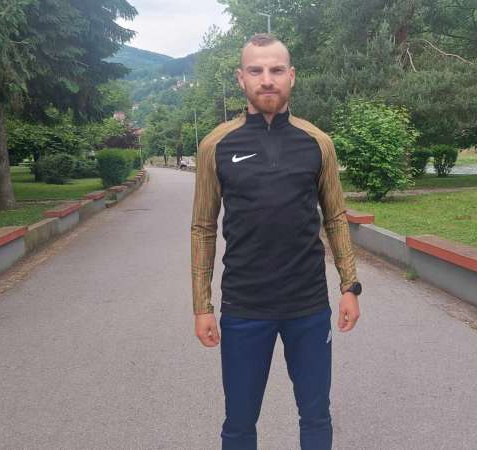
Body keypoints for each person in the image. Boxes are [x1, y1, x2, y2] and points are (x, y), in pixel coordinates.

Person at [190, 33, 362, 450]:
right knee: (239, 421)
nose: (267, 79)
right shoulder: (216, 145)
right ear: (241, 78)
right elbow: (203, 228)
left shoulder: (317, 142)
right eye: (256, 70)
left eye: (276, 70)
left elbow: (335, 217)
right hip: (244, 307)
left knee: (316, 415)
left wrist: (350, 286)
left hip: (308, 306)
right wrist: (202, 306)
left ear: (292, 76)